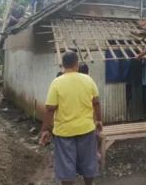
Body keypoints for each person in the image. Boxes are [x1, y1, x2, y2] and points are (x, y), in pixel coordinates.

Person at [39, 51, 102, 185]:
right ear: (76, 65)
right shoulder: (88, 80)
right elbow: (96, 103)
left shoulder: (56, 83)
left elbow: (50, 109)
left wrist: (44, 130)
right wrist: (98, 120)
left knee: (66, 167)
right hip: (86, 129)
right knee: (88, 163)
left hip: (64, 133)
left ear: (62, 65)